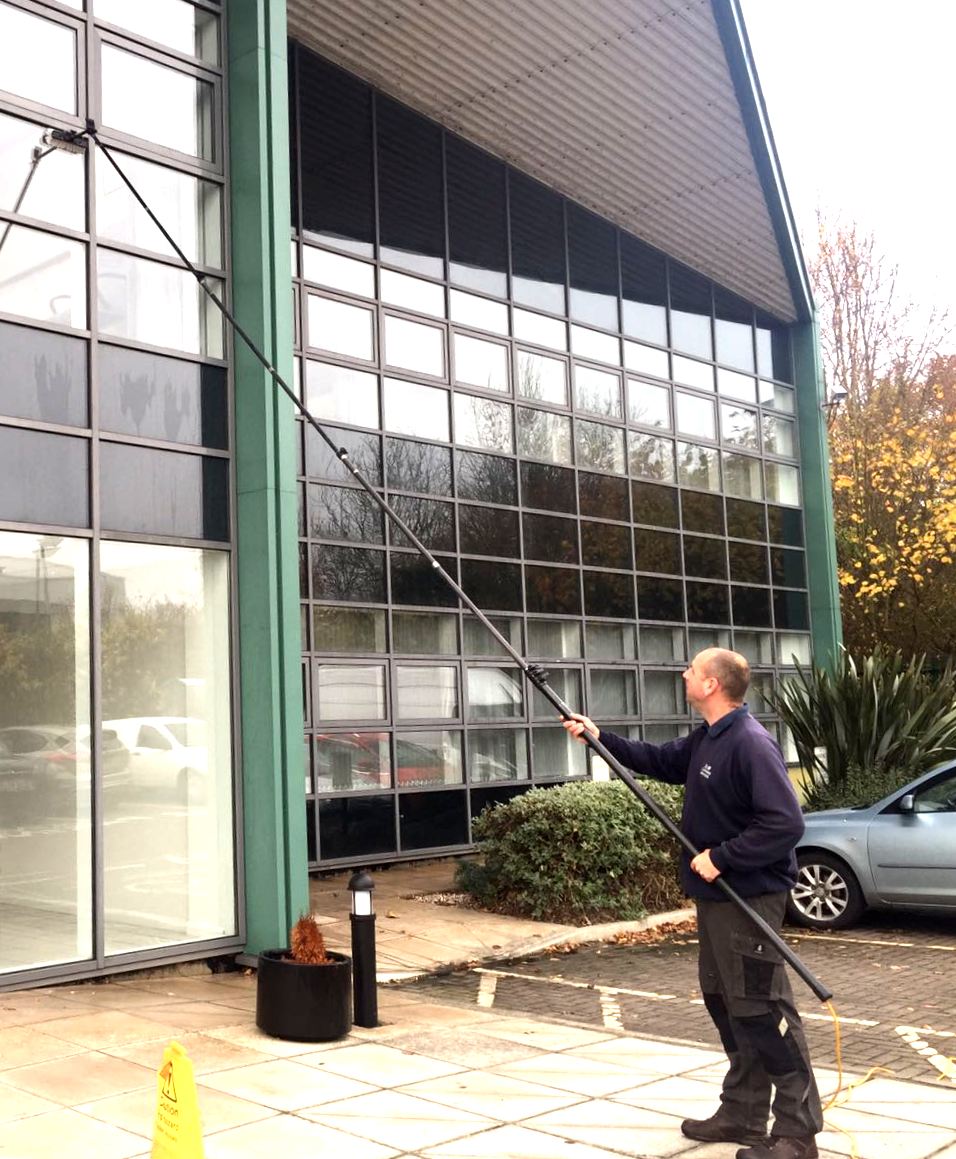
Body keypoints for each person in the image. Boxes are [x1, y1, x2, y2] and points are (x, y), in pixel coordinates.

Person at [563, 648, 822, 1159]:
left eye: (692, 670)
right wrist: (597, 737)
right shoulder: (710, 737)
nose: (682, 673)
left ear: (711, 685)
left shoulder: (750, 744)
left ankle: (797, 1132)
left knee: (761, 1008)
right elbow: (660, 761)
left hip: (747, 896)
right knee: (726, 1002)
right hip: (716, 899)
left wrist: (723, 857)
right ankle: (744, 1112)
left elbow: (785, 824)